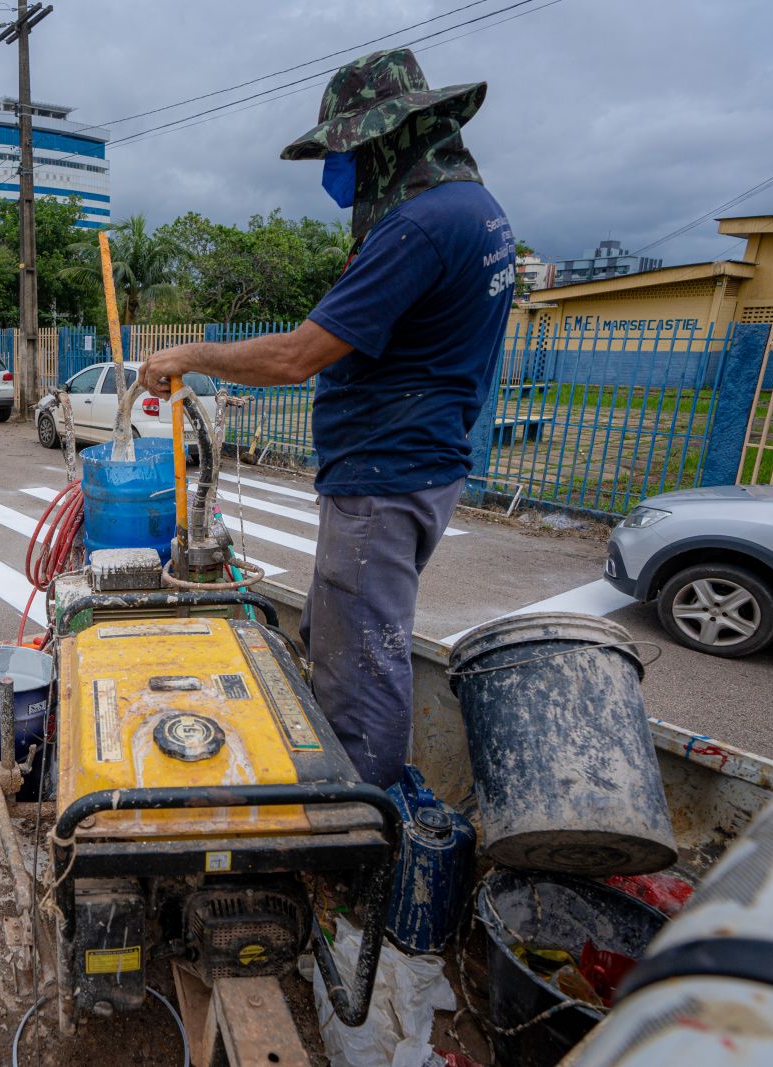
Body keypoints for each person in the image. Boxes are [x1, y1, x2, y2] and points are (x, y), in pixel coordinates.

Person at [138, 48, 514, 789]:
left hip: (385, 476)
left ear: (389, 140)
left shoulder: (419, 227)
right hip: (421, 467)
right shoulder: (478, 210)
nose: (338, 170)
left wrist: (190, 353)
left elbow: (296, 356)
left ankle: (364, 819)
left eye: (347, 151)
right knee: (335, 632)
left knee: (361, 675)